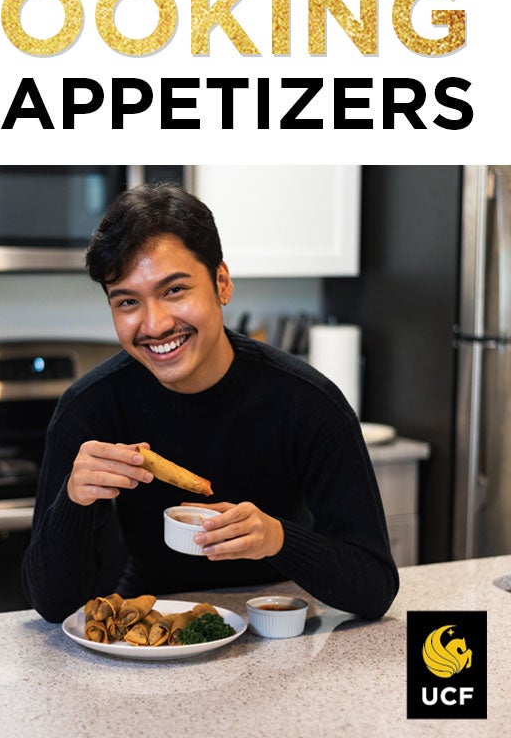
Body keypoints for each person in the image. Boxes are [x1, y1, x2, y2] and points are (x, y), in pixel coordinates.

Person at [21, 183, 399, 623]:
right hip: (149, 624)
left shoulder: (310, 403)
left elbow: (375, 587)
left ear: (221, 283)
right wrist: (72, 500)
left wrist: (278, 538)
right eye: (127, 301)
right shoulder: (88, 409)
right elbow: (50, 607)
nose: (155, 324)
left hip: (275, 619)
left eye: (175, 290)